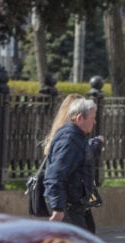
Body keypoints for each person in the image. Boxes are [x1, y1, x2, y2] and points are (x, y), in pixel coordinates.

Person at [42, 94, 103, 233]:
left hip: (74, 205)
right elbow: (55, 175)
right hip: (67, 207)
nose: (95, 123)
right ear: (80, 118)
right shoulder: (70, 139)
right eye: (92, 118)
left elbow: (81, 160)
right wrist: (58, 208)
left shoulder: (76, 137)